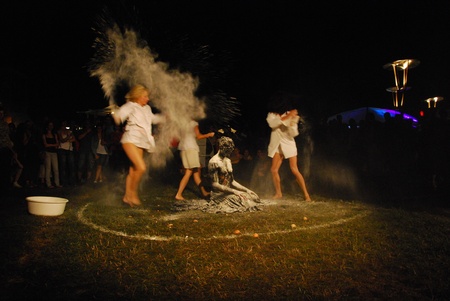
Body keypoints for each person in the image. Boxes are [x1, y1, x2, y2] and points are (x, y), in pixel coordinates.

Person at [112, 84, 165, 207]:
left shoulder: (147, 108)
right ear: (137, 96)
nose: (147, 99)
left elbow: (153, 119)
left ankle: (126, 197)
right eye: (145, 96)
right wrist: (117, 116)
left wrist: (164, 118)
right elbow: (119, 116)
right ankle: (132, 194)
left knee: (133, 170)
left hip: (142, 141)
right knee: (141, 167)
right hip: (130, 139)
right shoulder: (131, 106)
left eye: (147, 96)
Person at [266, 94, 311, 201]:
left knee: (294, 169)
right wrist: (288, 116)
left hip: (289, 144)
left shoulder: (293, 116)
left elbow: (294, 133)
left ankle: (306, 195)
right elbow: (273, 124)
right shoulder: (271, 115)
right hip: (277, 145)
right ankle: (278, 193)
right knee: (273, 170)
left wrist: (291, 122)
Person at [205, 136, 261, 213]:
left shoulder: (227, 160)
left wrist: (247, 190)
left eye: (230, 150)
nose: (230, 152)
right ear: (222, 147)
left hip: (229, 192)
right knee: (243, 199)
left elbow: (232, 181)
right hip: (219, 195)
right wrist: (234, 191)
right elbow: (215, 184)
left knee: (253, 197)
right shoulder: (214, 162)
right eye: (228, 150)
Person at [175, 119, 215, 201]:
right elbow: (199, 136)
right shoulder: (193, 123)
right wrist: (209, 135)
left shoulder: (183, 123)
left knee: (196, 173)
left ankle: (204, 192)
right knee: (189, 172)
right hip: (191, 149)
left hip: (183, 148)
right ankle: (178, 194)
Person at [42, 121, 61, 188]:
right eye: (49, 125)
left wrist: (50, 145)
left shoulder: (54, 135)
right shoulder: (44, 135)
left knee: (56, 168)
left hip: (54, 153)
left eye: (52, 125)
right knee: (48, 168)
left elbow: (57, 144)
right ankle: (48, 184)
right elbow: (45, 145)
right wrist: (53, 145)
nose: (51, 127)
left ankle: (57, 183)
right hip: (47, 152)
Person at [57, 120, 77, 186]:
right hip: (62, 150)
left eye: (65, 124)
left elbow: (74, 139)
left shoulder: (70, 131)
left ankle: (72, 182)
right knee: (63, 167)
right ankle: (63, 182)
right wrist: (68, 137)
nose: (64, 126)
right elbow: (62, 140)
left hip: (69, 150)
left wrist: (67, 139)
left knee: (71, 166)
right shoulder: (59, 131)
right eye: (63, 124)